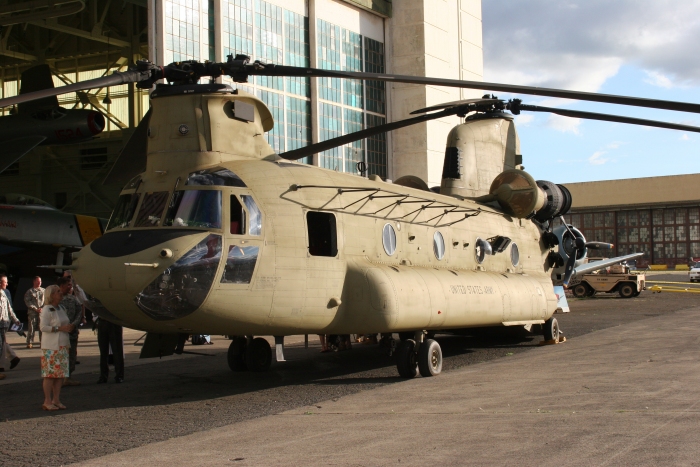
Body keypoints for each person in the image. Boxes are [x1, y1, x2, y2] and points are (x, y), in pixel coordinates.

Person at [39, 285, 73, 410]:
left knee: (60, 375)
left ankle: (56, 399)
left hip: (63, 344)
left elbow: (65, 322)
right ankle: (47, 400)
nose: (61, 293)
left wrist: (69, 327)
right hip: (51, 347)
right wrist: (59, 328)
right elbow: (43, 327)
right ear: (51, 295)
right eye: (58, 291)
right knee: (50, 375)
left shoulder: (61, 308)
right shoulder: (47, 309)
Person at [57, 277, 82, 386]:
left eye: (71, 285)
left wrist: (74, 324)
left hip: (72, 332)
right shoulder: (56, 299)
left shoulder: (73, 299)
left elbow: (79, 312)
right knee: (61, 355)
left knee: (72, 355)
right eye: (68, 285)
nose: (70, 287)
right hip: (61, 333)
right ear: (61, 286)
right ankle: (60, 378)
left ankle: (68, 377)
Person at [0, 274, 20, 378]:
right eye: (5, 282)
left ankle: (6, 363)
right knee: (1, 344)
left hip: (4, 324)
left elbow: (9, 308)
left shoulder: (4, 293)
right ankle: (12, 358)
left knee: (2, 344)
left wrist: (16, 320)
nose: (7, 284)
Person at [97, 317, 124, 384]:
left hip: (114, 321)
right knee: (103, 351)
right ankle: (103, 376)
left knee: (117, 350)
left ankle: (119, 375)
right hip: (102, 321)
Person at [24, 276, 44, 349]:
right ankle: (29, 342)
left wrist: (42, 308)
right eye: (38, 281)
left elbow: (47, 301)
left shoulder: (43, 291)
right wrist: (35, 308)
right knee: (31, 327)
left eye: (40, 281)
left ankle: (42, 342)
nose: (39, 283)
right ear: (34, 281)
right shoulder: (30, 292)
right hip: (33, 312)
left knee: (42, 328)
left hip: (42, 312)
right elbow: (27, 301)